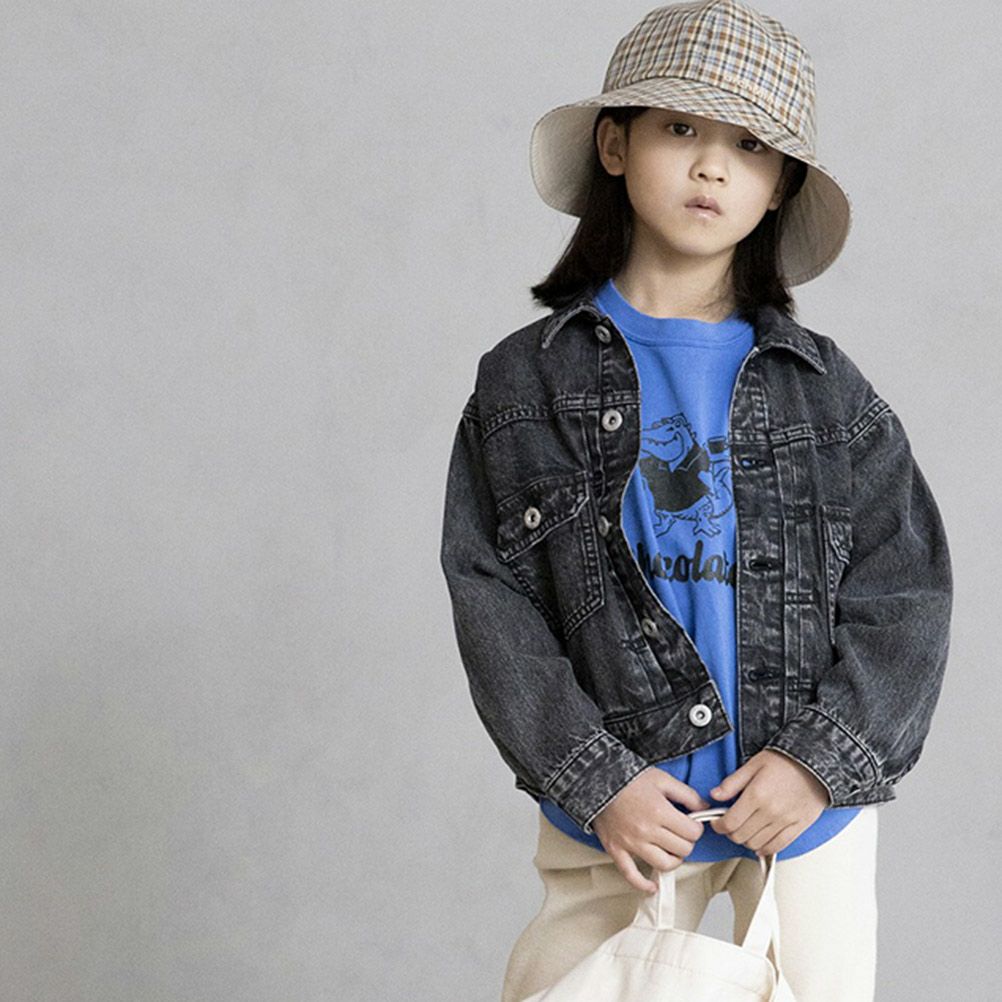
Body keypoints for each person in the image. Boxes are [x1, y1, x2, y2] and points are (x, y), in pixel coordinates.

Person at [438, 2, 953, 1001]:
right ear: (616, 145)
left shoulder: (827, 393)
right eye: (681, 128)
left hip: (801, 813)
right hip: (622, 815)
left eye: (750, 146)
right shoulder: (524, 384)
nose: (712, 166)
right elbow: (492, 604)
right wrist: (599, 777)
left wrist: (817, 764)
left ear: (779, 186)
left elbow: (906, 595)